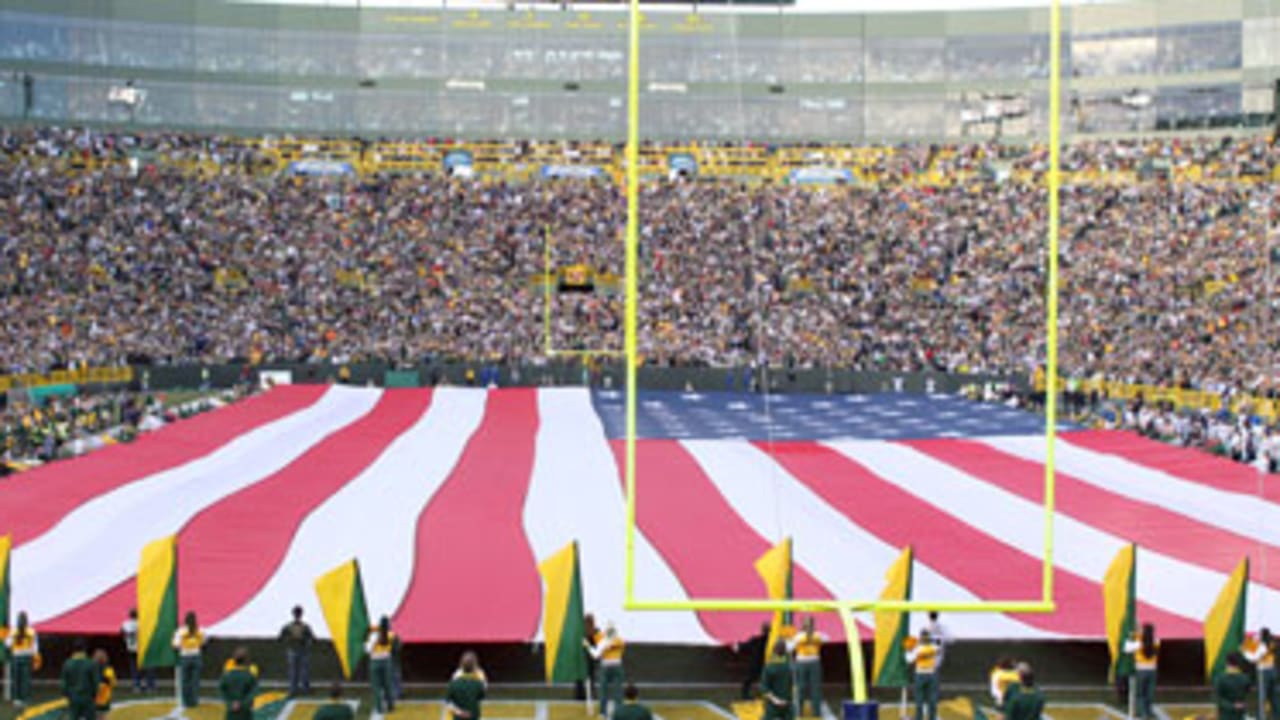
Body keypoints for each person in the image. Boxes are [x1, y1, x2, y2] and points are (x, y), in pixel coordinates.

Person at [788, 616, 826, 718]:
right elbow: (826, 639)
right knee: (815, 688)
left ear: (803, 625)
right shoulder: (818, 635)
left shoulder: (799, 636)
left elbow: (788, 648)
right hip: (814, 662)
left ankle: (799, 712)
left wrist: (790, 639)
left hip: (802, 662)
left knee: (801, 687)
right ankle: (816, 712)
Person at [586, 622, 626, 717]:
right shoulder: (619, 640)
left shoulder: (605, 641)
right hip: (617, 666)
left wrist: (588, 646)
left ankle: (603, 712)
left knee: (604, 691)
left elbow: (595, 655)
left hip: (606, 667)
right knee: (618, 691)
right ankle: (617, 713)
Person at [1123, 623, 1159, 720]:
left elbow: (1126, 648)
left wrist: (1131, 635)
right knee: (1149, 693)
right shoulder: (1156, 641)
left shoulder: (1138, 643)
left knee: (1140, 693)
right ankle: (1149, 711)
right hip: (1152, 670)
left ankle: (1142, 712)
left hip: (1141, 670)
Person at [173, 611, 207, 709]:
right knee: (195, 680)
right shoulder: (200, 630)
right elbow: (203, 642)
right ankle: (194, 701)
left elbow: (176, 645)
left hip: (185, 657)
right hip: (196, 656)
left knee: (185, 680)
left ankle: (186, 701)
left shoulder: (181, 631)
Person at [279, 606, 315, 697]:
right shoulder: (289, 627)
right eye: (296, 613)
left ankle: (303, 689)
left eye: (298, 614)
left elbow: (312, 638)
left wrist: (306, 643)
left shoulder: (304, 627)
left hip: (301, 650)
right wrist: (289, 640)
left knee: (302, 671)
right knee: (294, 671)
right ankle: (294, 689)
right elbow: (281, 637)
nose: (297, 615)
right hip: (293, 650)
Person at [60, 638, 99, 720]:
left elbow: (64, 684)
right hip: (88, 698)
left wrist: (67, 695)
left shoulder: (67, 664)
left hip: (73, 697)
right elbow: (95, 683)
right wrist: (94, 695)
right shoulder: (91, 663)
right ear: (85, 649)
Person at [5, 611, 38, 706]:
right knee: (26, 679)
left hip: (16, 656)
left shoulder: (13, 631)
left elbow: (8, 644)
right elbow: (35, 646)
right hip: (27, 657)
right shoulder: (31, 631)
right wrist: (34, 655)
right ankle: (25, 698)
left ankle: (16, 699)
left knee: (16, 679)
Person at [905, 630, 939, 720]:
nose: (925, 638)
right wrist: (910, 650)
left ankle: (929, 717)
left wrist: (909, 650)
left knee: (930, 700)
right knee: (921, 700)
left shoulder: (926, 648)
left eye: (926, 636)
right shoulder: (932, 647)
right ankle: (921, 718)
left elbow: (909, 660)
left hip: (927, 674)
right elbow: (909, 660)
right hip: (923, 674)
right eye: (924, 636)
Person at [1242, 629, 1276, 720]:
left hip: (1263, 672)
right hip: (1273, 670)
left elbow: (1254, 658)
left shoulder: (1262, 645)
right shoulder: (1272, 642)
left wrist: (1245, 650)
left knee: (1262, 696)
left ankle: (1260, 717)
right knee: (1274, 696)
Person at [367, 616, 397, 714]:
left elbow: (367, 649)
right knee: (388, 684)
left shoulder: (374, 636)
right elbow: (396, 646)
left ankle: (379, 708)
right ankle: (390, 705)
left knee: (376, 686)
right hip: (387, 661)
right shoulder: (391, 635)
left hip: (375, 662)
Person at [445, 651, 487, 720]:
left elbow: (448, 702)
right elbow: (481, 696)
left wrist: (459, 712)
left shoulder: (453, 684)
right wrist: (482, 679)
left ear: (461, 666)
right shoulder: (478, 684)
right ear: (475, 667)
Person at [219, 648, 258, 720]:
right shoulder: (249, 675)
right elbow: (254, 692)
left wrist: (230, 703)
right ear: (246, 660)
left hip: (231, 712)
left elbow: (221, 691)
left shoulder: (227, 675)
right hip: (245, 712)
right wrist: (242, 703)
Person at [121, 609, 154, 693]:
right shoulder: (142, 623)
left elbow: (122, 632)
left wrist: (126, 639)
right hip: (142, 647)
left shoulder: (125, 624)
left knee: (134, 667)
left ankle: (137, 685)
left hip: (131, 648)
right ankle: (149, 685)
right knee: (147, 667)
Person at [735, 622, 770, 700]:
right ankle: (763, 694)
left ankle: (745, 694)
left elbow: (745, 646)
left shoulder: (756, 639)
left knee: (750, 679)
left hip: (756, 662)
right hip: (765, 663)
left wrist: (738, 645)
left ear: (762, 630)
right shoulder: (771, 640)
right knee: (763, 680)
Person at [761, 640, 794, 720]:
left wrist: (776, 700)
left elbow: (764, 688)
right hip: (787, 703)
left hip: (773, 704)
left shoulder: (769, 667)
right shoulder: (789, 666)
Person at [1216, 652, 1254, 720]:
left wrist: (1232, 706)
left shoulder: (1221, 678)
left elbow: (1218, 698)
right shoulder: (1245, 678)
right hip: (1240, 713)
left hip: (1226, 714)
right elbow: (1250, 692)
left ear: (1227, 662)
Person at [94, 649, 116, 719]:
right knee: (103, 716)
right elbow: (113, 683)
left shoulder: (91, 668)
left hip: (94, 698)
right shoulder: (108, 668)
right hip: (105, 698)